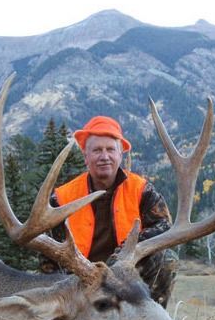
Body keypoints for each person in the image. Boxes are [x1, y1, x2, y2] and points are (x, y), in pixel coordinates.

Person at [41, 115, 178, 307]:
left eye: (110, 149)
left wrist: (127, 250)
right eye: (97, 150)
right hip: (78, 278)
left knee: (166, 259)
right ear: (86, 156)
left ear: (120, 154)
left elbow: (164, 227)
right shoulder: (62, 198)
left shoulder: (140, 190)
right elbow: (47, 255)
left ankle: (151, 317)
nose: (104, 157)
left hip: (126, 273)